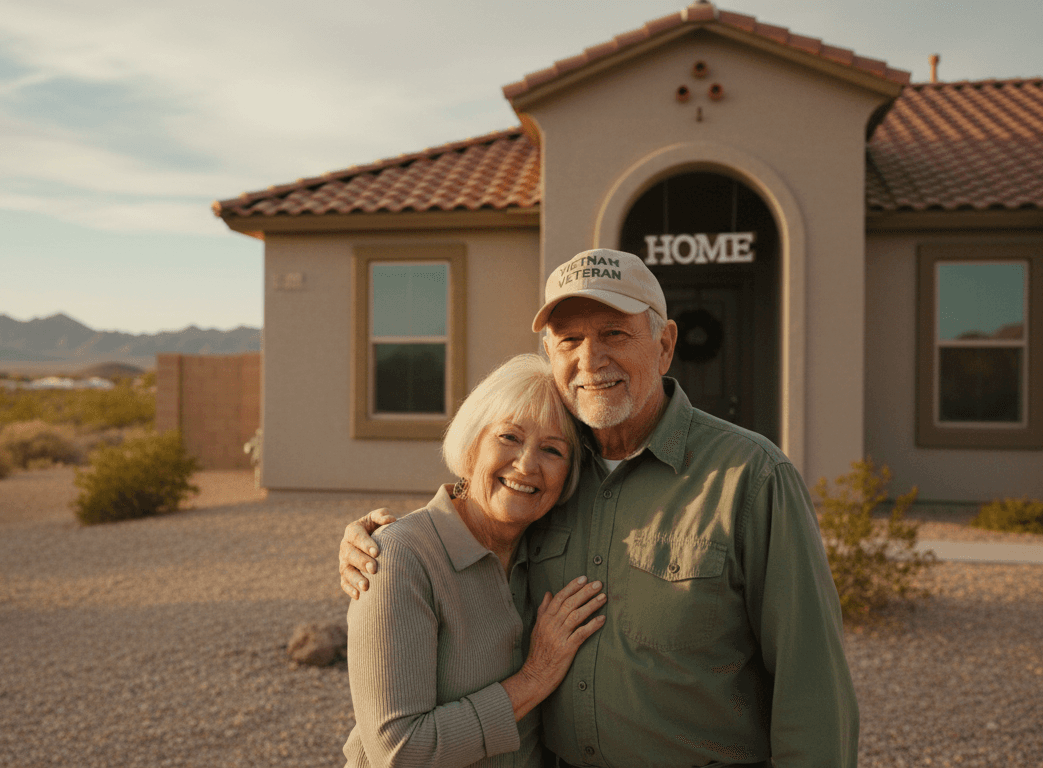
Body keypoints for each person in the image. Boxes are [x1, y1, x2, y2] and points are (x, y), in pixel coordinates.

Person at [341, 249, 858, 768]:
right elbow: (474, 518)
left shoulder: (752, 477)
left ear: (665, 344)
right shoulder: (551, 476)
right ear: (550, 352)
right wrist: (382, 542)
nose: (591, 359)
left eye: (614, 333)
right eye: (570, 339)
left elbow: (810, 681)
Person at [343, 353, 607, 768]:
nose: (526, 464)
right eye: (509, 437)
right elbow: (399, 751)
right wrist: (534, 679)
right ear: (471, 446)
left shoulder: (547, 549)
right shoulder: (398, 558)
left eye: (553, 450)